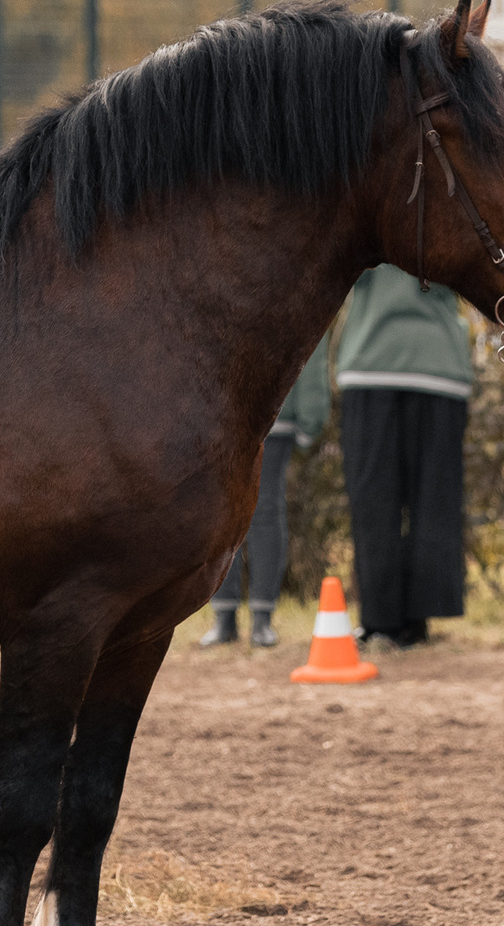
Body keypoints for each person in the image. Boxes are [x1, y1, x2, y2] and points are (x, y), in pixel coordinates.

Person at [335, 264, 472, 651]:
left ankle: (381, 622)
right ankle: (418, 619)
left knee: (373, 502)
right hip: (439, 365)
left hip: (370, 361)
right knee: (435, 500)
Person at [201, 335, 331, 648]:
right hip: (227, 415)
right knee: (224, 511)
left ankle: (260, 618)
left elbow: (310, 343)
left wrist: (310, 416)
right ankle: (225, 616)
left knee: (263, 512)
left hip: (275, 416)